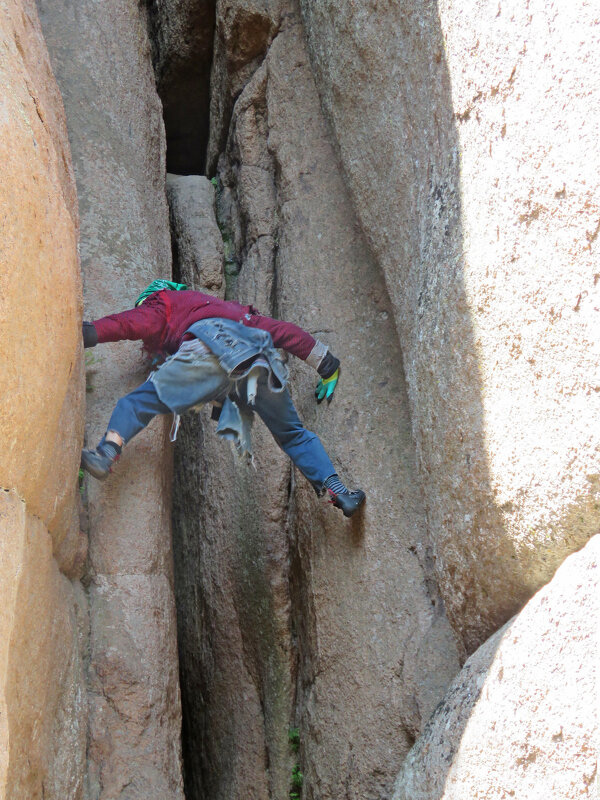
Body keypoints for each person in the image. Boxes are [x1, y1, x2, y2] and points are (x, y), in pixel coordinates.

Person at [80, 280, 366, 517]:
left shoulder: (164, 303)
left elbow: (131, 324)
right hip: (257, 366)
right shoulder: (232, 311)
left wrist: (87, 333)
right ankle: (340, 492)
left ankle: (106, 453)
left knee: (136, 403)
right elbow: (281, 331)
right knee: (292, 435)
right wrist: (327, 365)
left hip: (205, 357)